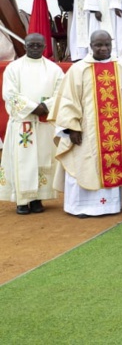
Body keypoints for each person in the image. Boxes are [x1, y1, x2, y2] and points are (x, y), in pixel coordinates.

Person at [52, 30, 122, 217]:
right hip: (85, 129)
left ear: (112, 44)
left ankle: (110, 206)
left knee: (110, 162)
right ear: (90, 46)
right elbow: (69, 99)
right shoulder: (79, 69)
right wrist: (71, 128)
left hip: (114, 130)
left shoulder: (120, 67)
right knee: (84, 163)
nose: (103, 49)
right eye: (98, 45)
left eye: (107, 45)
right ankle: (80, 207)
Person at [0, 34, 63, 214]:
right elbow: (10, 94)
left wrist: (46, 106)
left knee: (43, 159)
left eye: (38, 45)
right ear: (25, 46)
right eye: (31, 45)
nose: (34, 48)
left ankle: (37, 199)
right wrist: (33, 107)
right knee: (23, 161)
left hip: (43, 123)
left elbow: (61, 92)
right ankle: (21, 200)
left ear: (44, 46)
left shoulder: (53, 69)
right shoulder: (14, 68)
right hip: (23, 123)